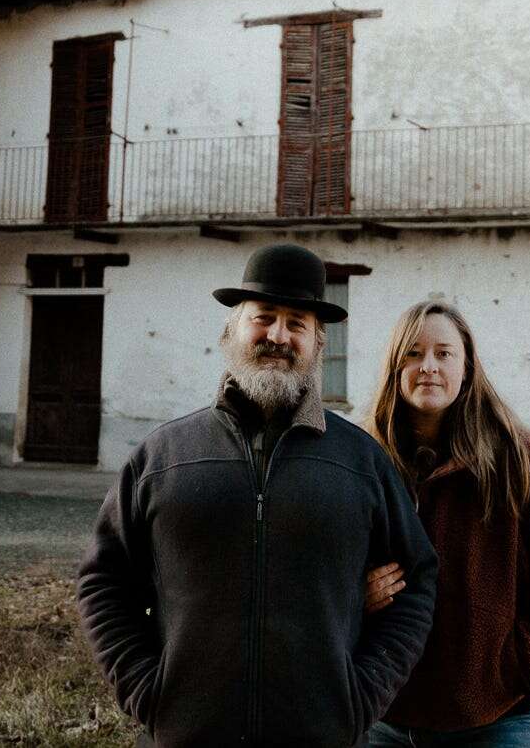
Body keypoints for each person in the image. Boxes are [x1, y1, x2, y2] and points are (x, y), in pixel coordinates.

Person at [77, 242, 440, 747]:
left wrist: (360, 697)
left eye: (297, 323)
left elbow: (417, 581)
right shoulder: (163, 456)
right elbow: (104, 581)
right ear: (231, 330)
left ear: (319, 343)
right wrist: (146, 691)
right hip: (186, 735)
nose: (278, 335)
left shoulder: (360, 462)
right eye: (263, 317)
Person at [360, 301, 530, 746]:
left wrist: (521, 672)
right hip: (383, 716)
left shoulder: (520, 461)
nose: (428, 366)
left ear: (467, 367)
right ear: (394, 366)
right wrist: (355, 595)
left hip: (497, 721)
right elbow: (320, 569)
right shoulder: (363, 460)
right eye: (413, 353)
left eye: (443, 353)